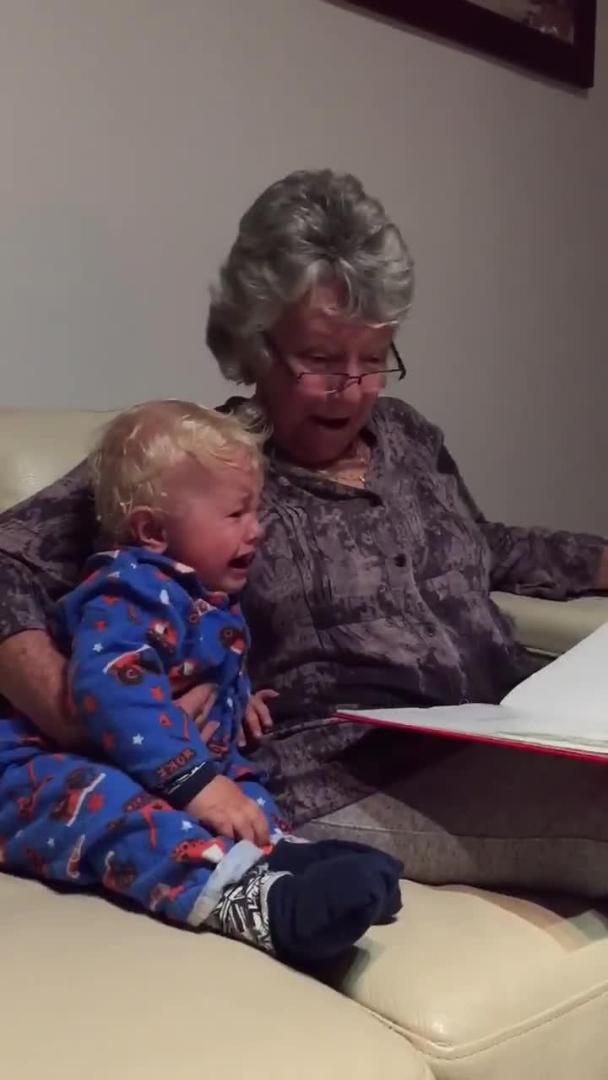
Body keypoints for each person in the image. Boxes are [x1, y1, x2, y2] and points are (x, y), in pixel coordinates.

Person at [1, 169, 607, 898]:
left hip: (512, 730)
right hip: (344, 770)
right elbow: (9, 562)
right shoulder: (196, 470)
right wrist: (75, 714)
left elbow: (485, 545)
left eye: (374, 359)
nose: (352, 387)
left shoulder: (410, 437)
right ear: (255, 344)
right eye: (321, 359)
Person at [0, 399, 402, 965]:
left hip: (148, 762)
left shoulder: (203, 597)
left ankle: (279, 857)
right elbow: (111, 692)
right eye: (237, 515)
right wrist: (200, 784)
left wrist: (240, 702)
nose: (257, 530)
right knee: (114, 807)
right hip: (32, 772)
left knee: (245, 785)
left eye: (256, 512)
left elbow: (197, 673)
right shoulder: (128, 589)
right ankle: (252, 902)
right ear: (152, 530)